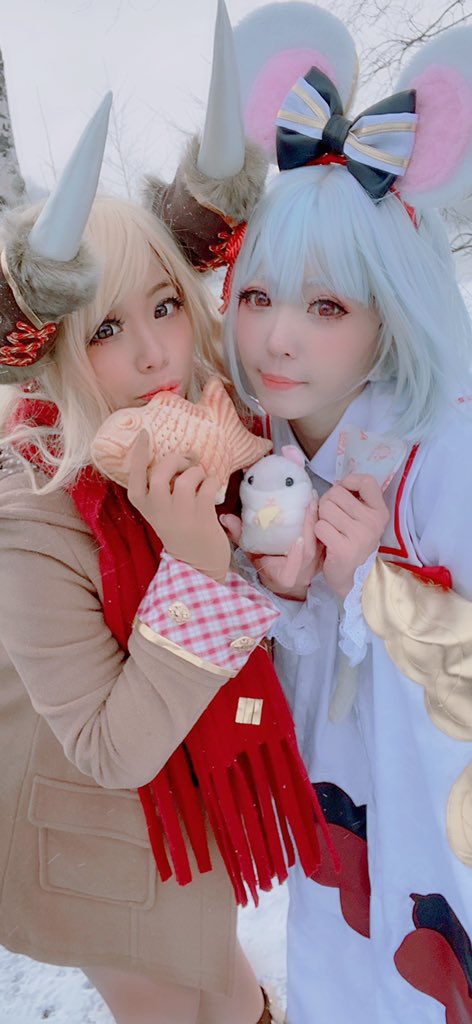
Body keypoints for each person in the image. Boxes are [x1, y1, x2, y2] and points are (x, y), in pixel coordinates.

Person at [0, 88, 329, 1024]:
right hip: (89, 845)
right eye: (105, 330)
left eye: (164, 306)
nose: (155, 354)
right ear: (55, 352)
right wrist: (193, 566)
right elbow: (110, 747)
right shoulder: (32, 511)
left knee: (233, 995)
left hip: (189, 812)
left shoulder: (200, 430)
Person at [209, 4, 472, 1022]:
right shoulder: (251, 447)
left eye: (325, 307)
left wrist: (373, 589)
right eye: (258, 297)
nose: (276, 339)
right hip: (332, 830)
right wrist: (281, 597)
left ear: (388, 312)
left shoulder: (447, 455)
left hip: (432, 837)